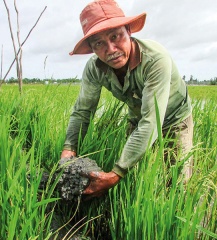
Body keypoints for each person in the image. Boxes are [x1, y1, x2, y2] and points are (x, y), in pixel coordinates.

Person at [61, 0, 193, 198]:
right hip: (138, 117)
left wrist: (116, 173)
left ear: (129, 31)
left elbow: (152, 121)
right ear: (92, 48)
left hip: (175, 119)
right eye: (99, 43)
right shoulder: (94, 68)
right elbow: (83, 111)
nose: (111, 49)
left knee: (177, 185)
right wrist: (69, 149)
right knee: (135, 179)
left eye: (116, 36)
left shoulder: (155, 60)